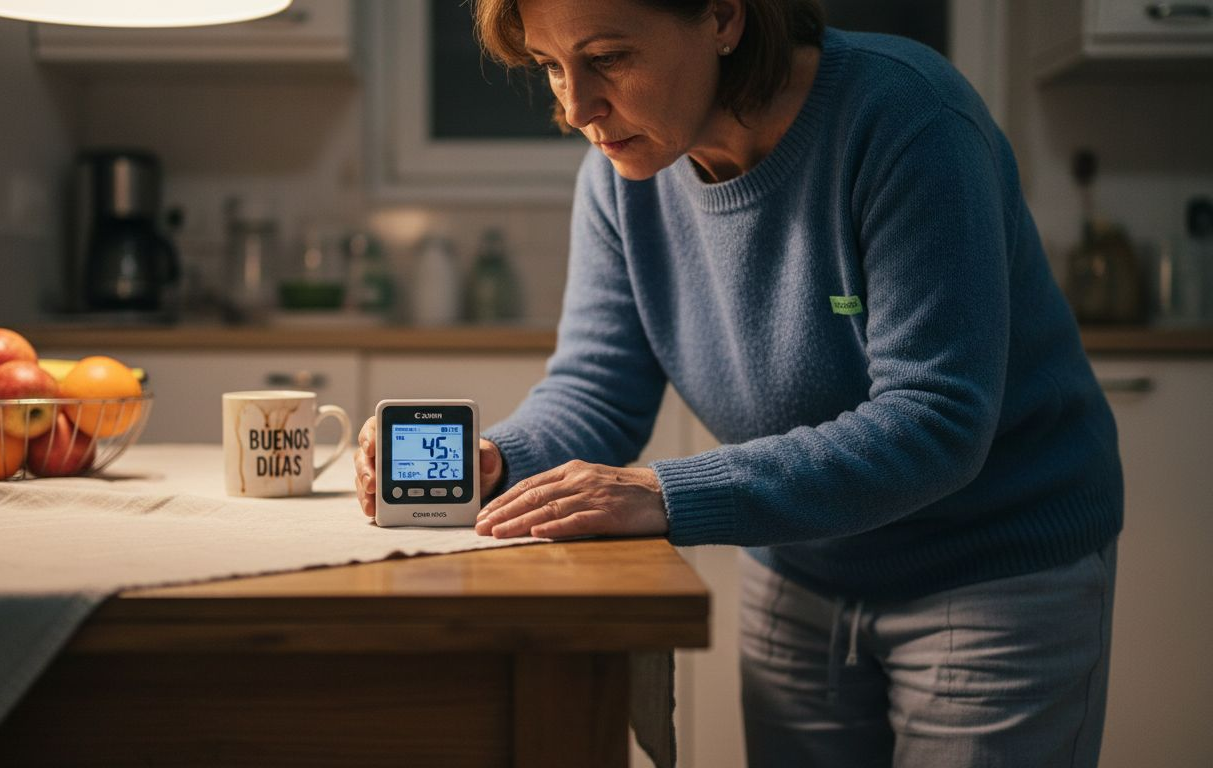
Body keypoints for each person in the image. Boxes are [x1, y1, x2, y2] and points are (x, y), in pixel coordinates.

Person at [354, 0, 1123, 765]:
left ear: (723, 17)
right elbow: (597, 388)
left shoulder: (909, 119)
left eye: (607, 58)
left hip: (991, 571)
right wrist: (493, 460)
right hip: (799, 565)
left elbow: (936, 421)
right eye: (551, 66)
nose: (576, 108)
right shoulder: (622, 176)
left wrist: (663, 494)